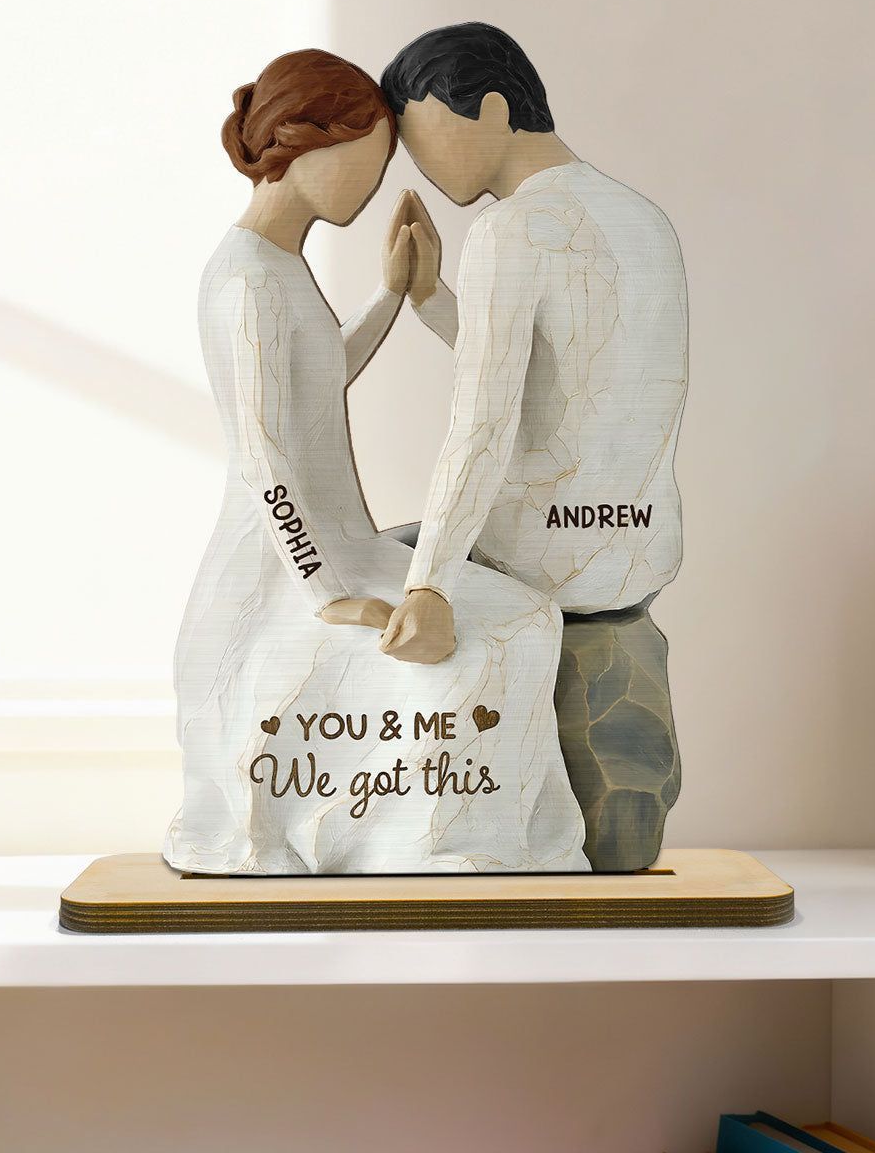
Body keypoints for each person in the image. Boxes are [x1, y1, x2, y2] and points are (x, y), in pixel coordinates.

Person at [163, 49, 587, 876]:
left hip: (336, 542)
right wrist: (327, 592)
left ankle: (493, 838)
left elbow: (317, 382)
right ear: (304, 143)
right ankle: (438, 837)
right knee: (502, 633)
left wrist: (394, 294)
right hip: (286, 560)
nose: (373, 182)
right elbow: (263, 460)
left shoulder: (278, 266)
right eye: (364, 159)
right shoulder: (247, 281)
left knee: (526, 618)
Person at [376, 24, 688, 868]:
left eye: (424, 136)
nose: (422, 167)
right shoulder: (643, 219)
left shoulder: (512, 232)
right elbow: (570, 377)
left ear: (491, 108)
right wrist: (434, 299)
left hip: (536, 563)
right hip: (632, 549)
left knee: (355, 571)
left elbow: (483, 425)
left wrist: (429, 584)